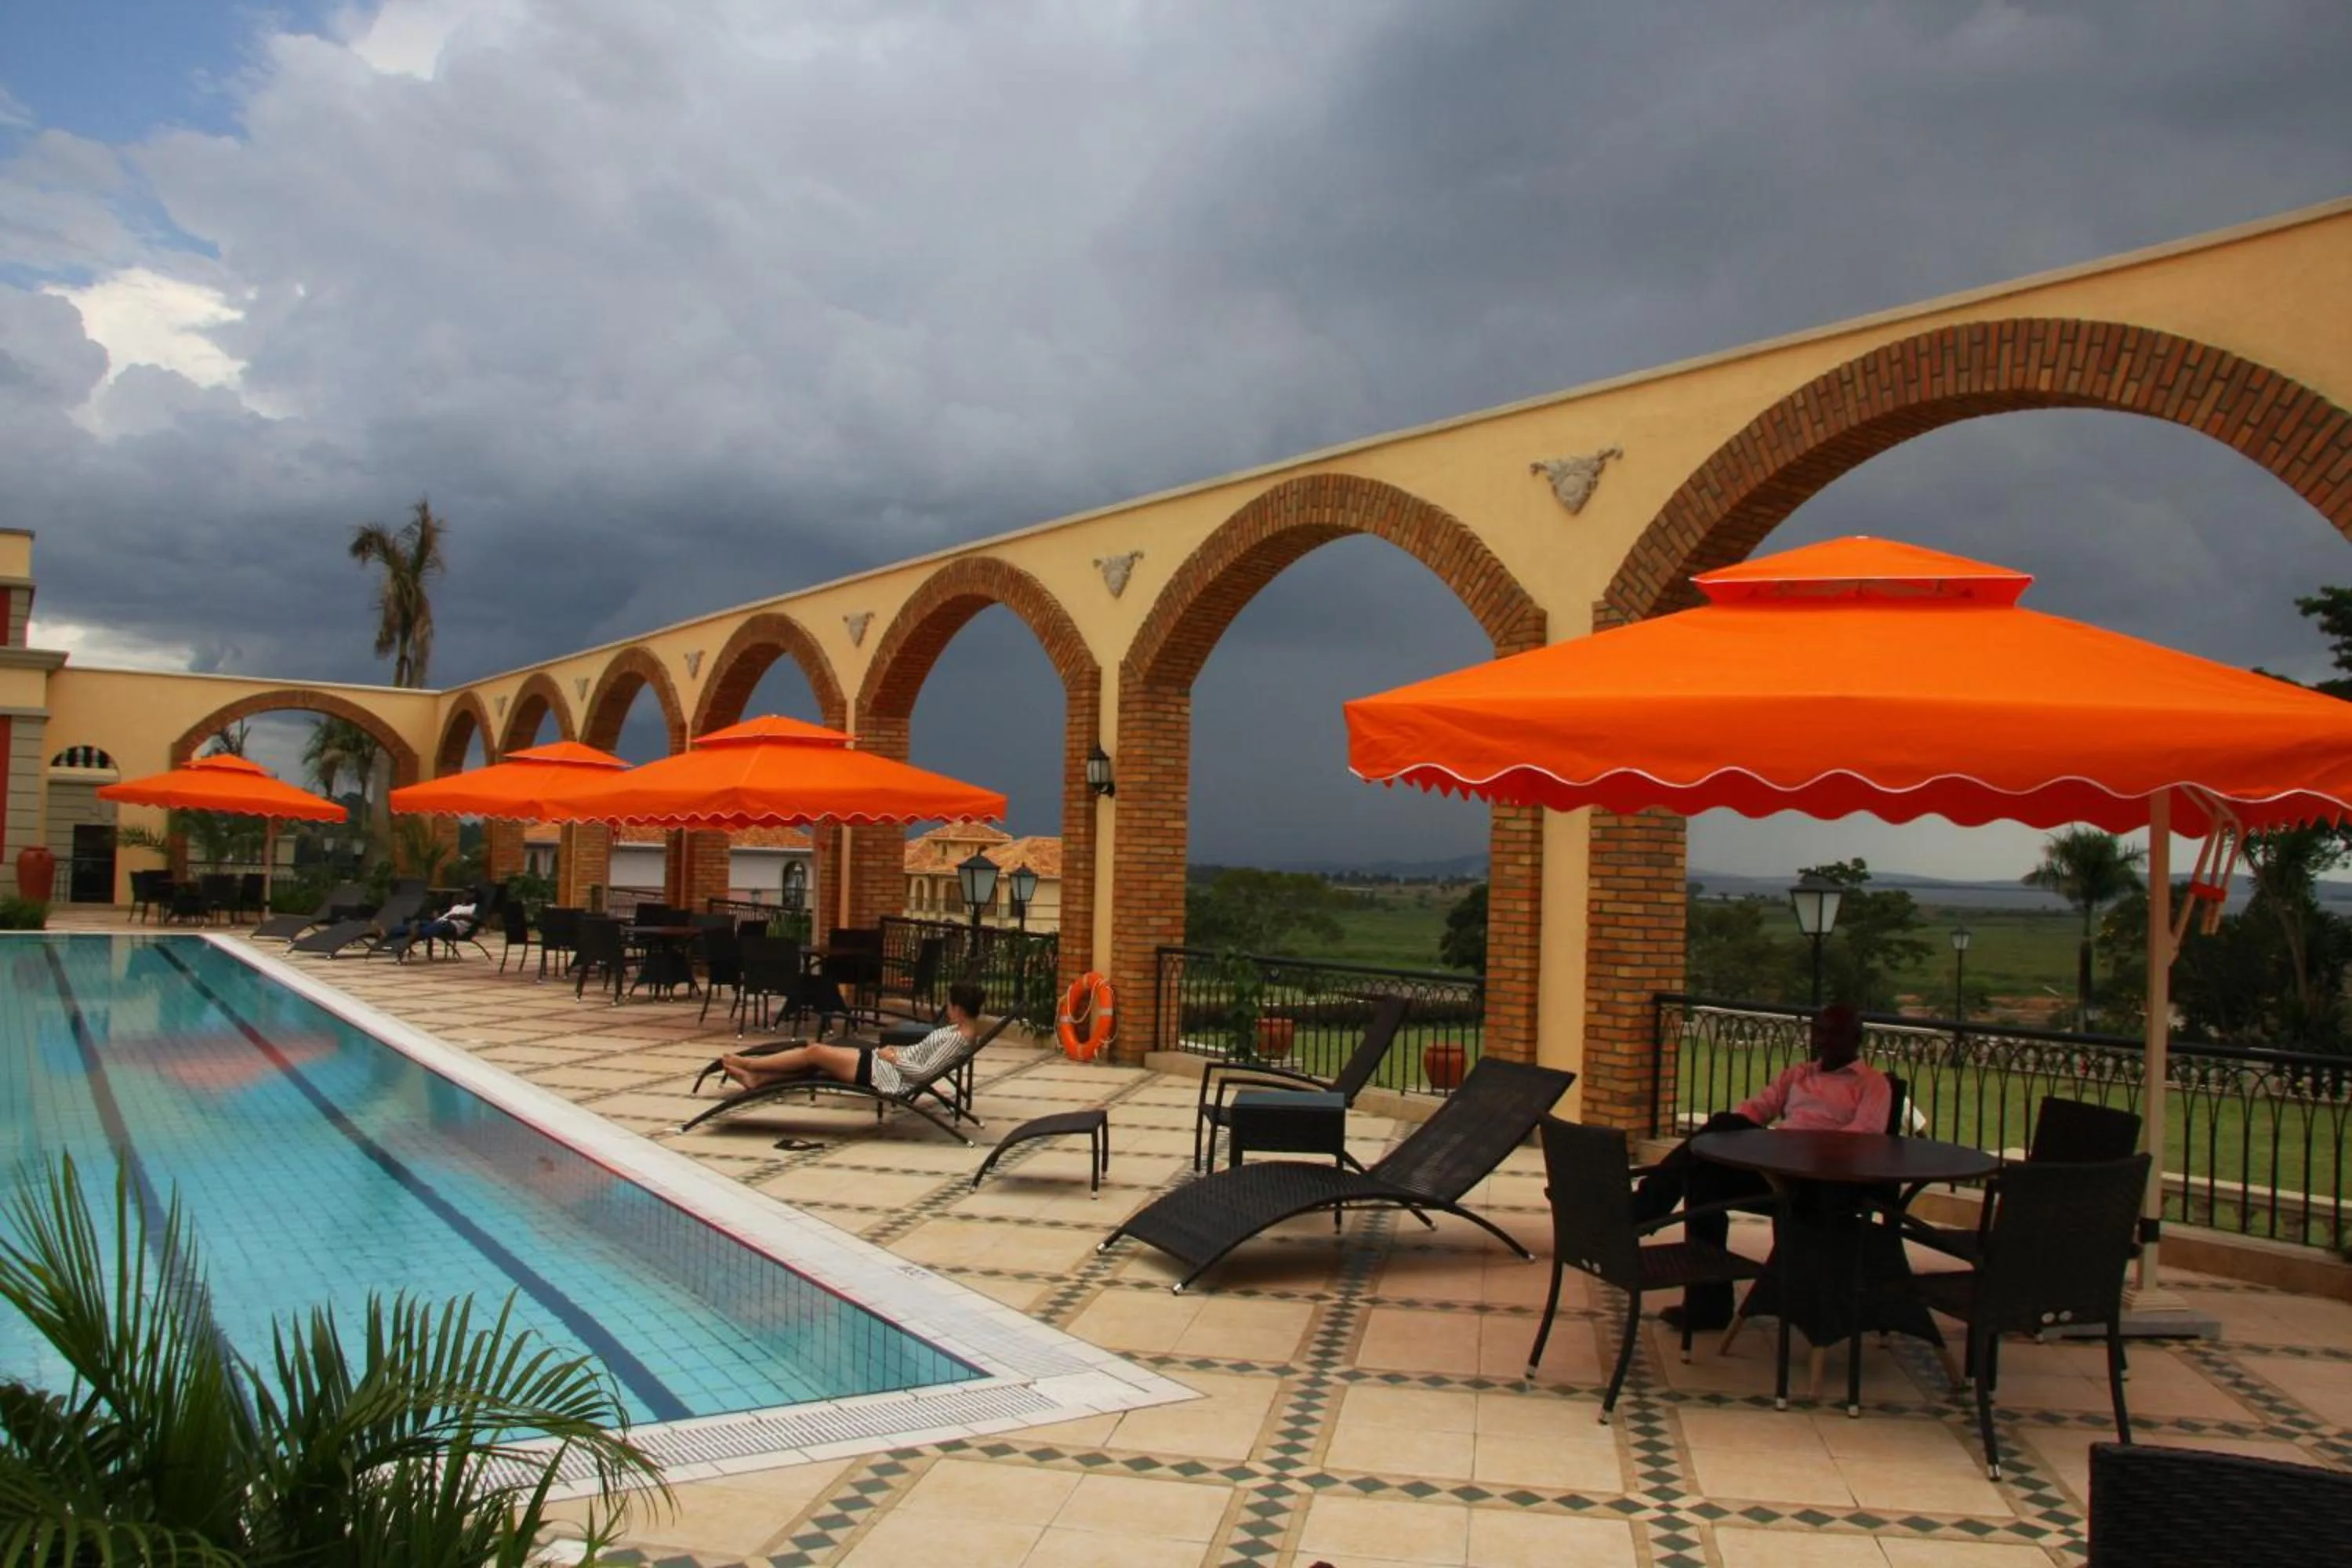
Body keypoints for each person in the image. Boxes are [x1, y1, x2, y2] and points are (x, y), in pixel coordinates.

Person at [1632, 1004, 1891, 1330]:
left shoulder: (1872, 1083)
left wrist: (1801, 1148)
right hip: (1775, 1169)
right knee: (1704, 1175)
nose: (1826, 1040)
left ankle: (1641, 1209)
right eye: (1821, 1032)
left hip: (1822, 1183)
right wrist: (1736, 1131)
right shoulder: (1798, 1075)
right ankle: (1707, 1308)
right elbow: (1758, 1108)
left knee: (1719, 1131)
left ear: (1856, 1038)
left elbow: (1864, 1136)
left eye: (1836, 1033)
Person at [718, 980, 986, 1096]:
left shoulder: (958, 1039)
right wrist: (895, 1053)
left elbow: (925, 1072)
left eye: (950, 1005)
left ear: (960, 1009)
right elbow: (924, 1058)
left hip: (888, 1076)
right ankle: (758, 1079)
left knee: (814, 1053)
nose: (947, 1008)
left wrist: (893, 1058)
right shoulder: (960, 1031)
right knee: (817, 1061)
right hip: (886, 1065)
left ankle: (750, 1063)